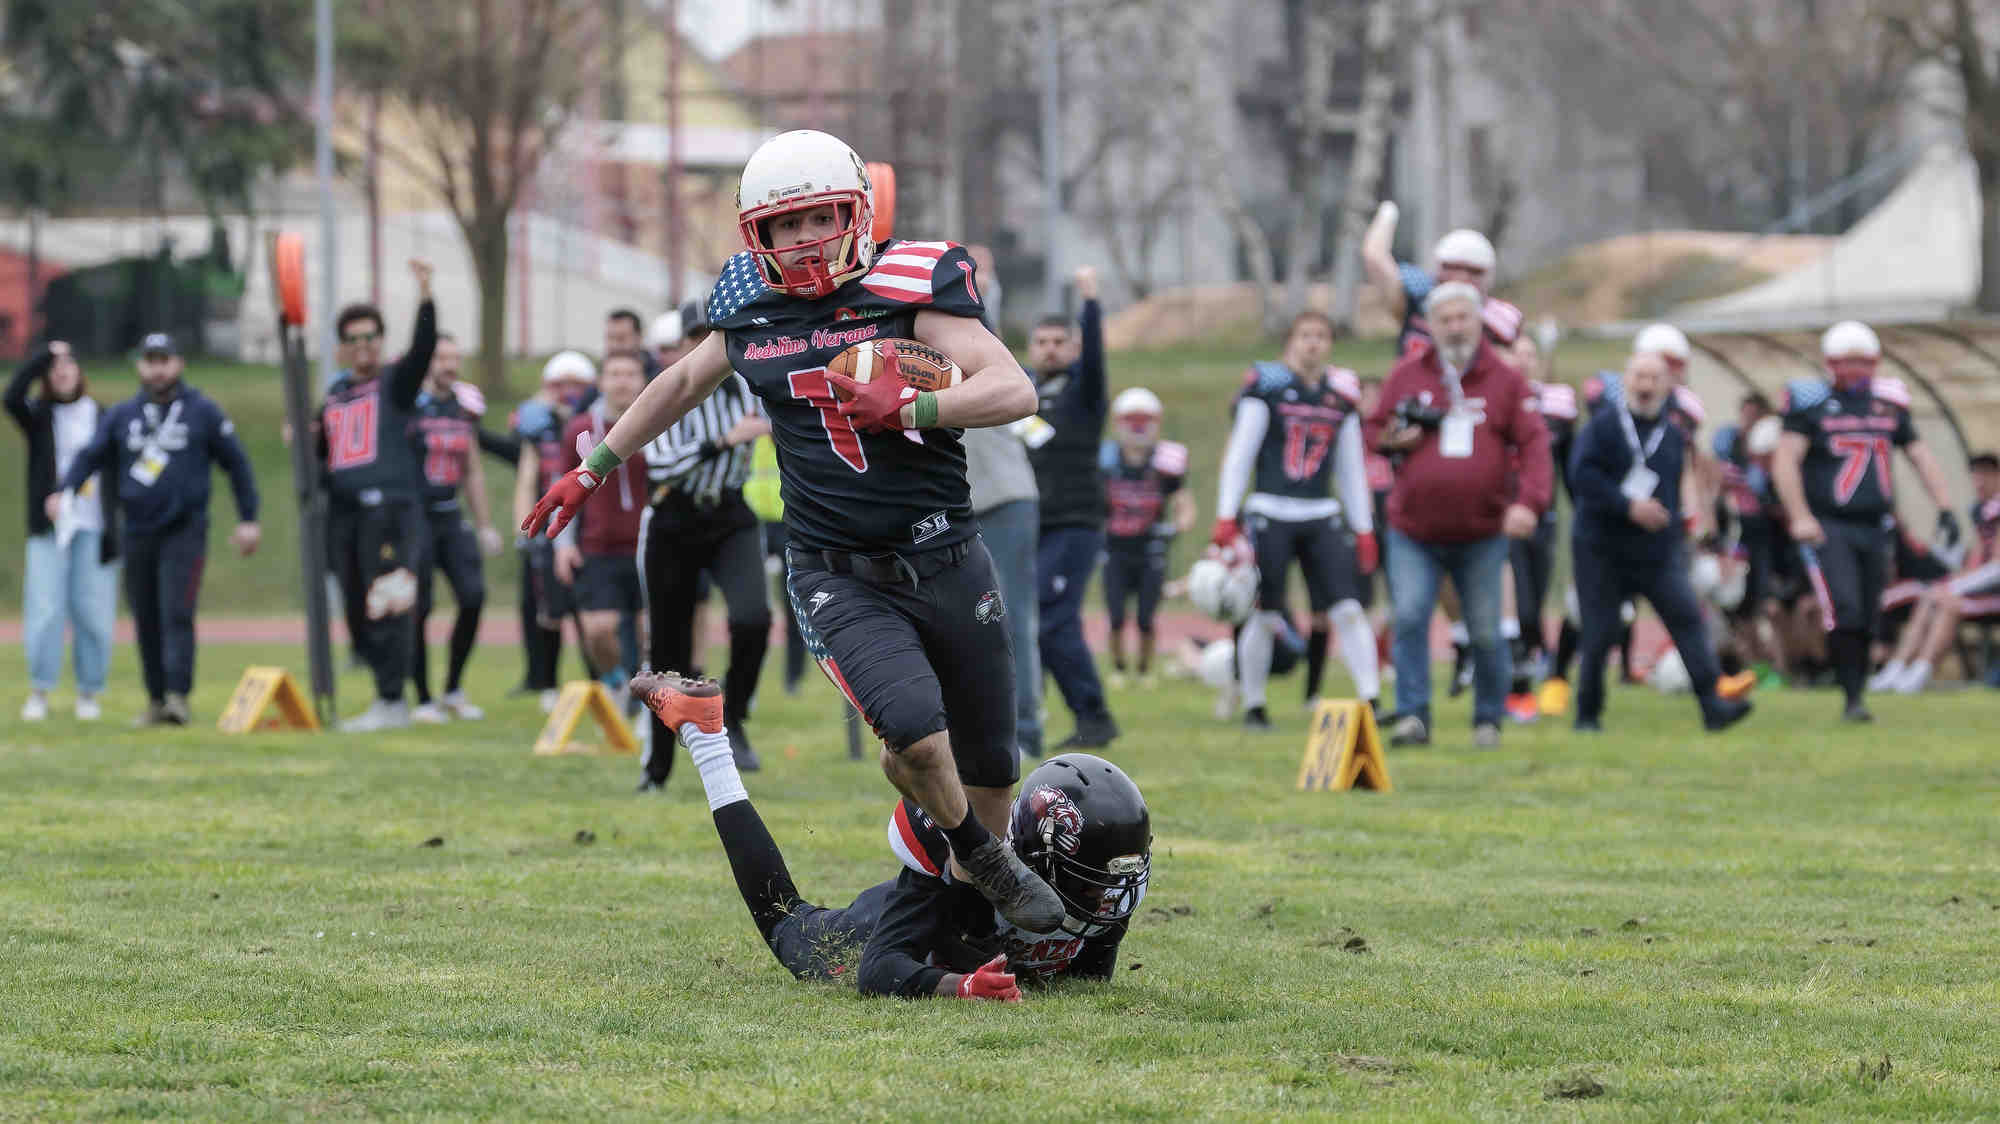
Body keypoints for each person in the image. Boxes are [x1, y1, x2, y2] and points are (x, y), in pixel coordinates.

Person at [524, 129, 1063, 932]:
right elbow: (678, 383)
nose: (805, 241)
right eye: (786, 226)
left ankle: (957, 914)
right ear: (758, 236)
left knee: (988, 768)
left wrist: (914, 405)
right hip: (835, 569)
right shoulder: (747, 300)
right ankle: (979, 858)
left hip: (947, 550)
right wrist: (594, 464)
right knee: (917, 740)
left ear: (855, 214)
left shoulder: (911, 280)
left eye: (819, 220)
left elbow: (1012, 389)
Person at [629, 670, 1148, 1000]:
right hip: (877, 932)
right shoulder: (966, 851)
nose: (1109, 898)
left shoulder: (1102, 893)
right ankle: (707, 738)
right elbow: (879, 971)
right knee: (786, 921)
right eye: (1092, 882)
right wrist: (959, 986)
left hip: (959, 935)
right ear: (1036, 860)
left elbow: (1084, 979)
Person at [1365, 283, 1551, 748]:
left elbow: (1534, 445)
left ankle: (1488, 718)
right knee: (1408, 617)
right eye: (1444, 319)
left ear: (1478, 322)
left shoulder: (1506, 380)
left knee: (1487, 630)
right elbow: (1372, 430)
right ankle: (1413, 716)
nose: (1454, 327)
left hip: (1482, 531)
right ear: (1431, 325)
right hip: (1414, 528)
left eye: (1462, 318)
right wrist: (1392, 437)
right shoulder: (1407, 373)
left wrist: (1528, 503)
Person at [52, 333, 259, 725]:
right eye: (150, 360)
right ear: (140, 366)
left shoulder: (203, 412)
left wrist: (249, 518)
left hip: (185, 529)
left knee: (175, 610)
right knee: (145, 615)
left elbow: (238, 465)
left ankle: (178, 696)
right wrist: (64, 491)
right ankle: (156, 698)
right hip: (137, 529)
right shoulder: (123, 415)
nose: (157, 367)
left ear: (178, 364)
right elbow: (90, 456)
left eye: (164, 359)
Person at [1772, 320, 1955, 721]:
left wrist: (1944, 506)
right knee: (1845, 606)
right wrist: (1801, 515)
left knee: (1871, 611)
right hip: (1830, 522)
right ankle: (1852, 695)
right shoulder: (1810, 404)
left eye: (1863, 363)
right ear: (1830, 364)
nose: (1855, 372)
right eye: (1846, 363)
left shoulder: (1888, 404)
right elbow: (1785, 460)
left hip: (1876, 523)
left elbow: (1920, 455)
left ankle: (1856, 692)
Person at [1567, 351, 1754, 732]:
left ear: (1669, 386)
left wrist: (1683, 535)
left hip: (1654, 552)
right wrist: (1627, 506)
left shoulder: (1672, 435)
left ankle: (1712, 706)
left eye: (1655, 379)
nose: (1646, 386)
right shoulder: (1602, 427)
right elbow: (1581, 476)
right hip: (1602, 548)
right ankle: (1588, 713)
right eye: (1639, 377)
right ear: (1626, 381)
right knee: (1600, 631)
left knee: (1687, 618)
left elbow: (1670, 490)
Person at [1212, 312, 1380, 727]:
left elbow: (1351, 469)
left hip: (1320, 511)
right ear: (1290, 341)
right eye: (1305, 335)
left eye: (1321, 336)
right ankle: (1254, 703)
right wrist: (1226, 515)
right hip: (1270, 508)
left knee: (1348, 606)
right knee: (1265, 612)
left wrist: (1363, 527)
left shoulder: (1341, 396)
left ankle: (1372, 700)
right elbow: (1241, 454)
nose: (1313, 344)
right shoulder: (1267, 386)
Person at [634, 350, 772, 788]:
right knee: (667, 651)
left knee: (754, 618)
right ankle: (658, 767)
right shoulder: (668, 392)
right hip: (674, 517)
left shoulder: (750, 388)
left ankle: (735, 713)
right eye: (693, 340)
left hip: (730, 514)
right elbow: (659, 463)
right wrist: (724, 441)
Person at [319, 260, 439, 732]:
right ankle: (382, 688)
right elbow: (323, 452)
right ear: (342, 348)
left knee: (389, 601)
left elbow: (422, 351)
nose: (364, 345)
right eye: (355, 338)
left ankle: (392, 700)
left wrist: (426, 296)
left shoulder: (395, 385)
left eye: (371, 336)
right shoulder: (334, 395)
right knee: (354, 608)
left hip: (390, 511)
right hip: (346, 516)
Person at [1026, 265, 1120, 749]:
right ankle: (1032, 716)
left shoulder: (1083, 392)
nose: (1050, 349)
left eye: (1059, 341)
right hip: (1029, 525)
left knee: (1052, 616)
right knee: (1029, 620)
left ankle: (1095, 716)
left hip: (1076, 523)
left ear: (1074, 347)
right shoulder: (1022, 392)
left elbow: (1097, 358)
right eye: (1041, 342)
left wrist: (1090, 302)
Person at [962, 243, 1045, 759]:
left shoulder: (986, 354)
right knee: (969, 624)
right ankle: (980, 732)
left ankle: (1028, 729)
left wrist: (986, 284)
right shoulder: (922, 351)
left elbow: (983, 323)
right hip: (961, 509)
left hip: (1008, 501)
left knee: (1012, 616)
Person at [8, 340, 120, 721]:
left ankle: (89, 692)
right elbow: (11, 395)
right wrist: (42, 355)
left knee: (92, 612)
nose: (62, 371)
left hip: (94, 526)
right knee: (45, 610)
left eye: (68, 364)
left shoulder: (102, 416)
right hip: (49, 529)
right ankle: (40, 690)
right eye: (53, 369)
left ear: (79, 372)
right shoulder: (39, 416)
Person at [407, 333, 504, 722]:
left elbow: (472, 470)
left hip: (449, 513)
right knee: (419, 606)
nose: (449, 365)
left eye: (454, 358)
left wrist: (484, 525)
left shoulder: (463, 408)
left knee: (473, 595)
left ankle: (452, 688)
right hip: (414, 516)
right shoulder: (409, 405)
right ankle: (423, 696)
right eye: (440, 358)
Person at [554, 349, 650, 695]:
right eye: (615, 374)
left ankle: (647, 697)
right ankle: (616, 685)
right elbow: (561, 487)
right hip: (597, 546)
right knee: (597, 630)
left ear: (643, 381)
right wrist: (562, 546)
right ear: (601, 382)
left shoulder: (660, 423)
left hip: (646, 545)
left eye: (630, 374)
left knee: (646, 633)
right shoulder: (580, 429)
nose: (623, 381)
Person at [512, 350, 599, 711]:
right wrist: (524, 530)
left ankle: (601, 682)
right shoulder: (540, 429)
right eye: (560, 385)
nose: (567, 392)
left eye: (575, 384)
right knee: (550, 609)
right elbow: (526, 479)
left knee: (593, 610)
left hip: (589, 526)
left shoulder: (595, 426)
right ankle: (547, 683)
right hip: (552, 527)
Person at [1870, 452, 2000, 691]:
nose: (1978, 482)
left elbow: (1996, 567)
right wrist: (1955, 576)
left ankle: (1920, 672)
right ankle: (1897, 668)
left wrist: (1955, 586)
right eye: (1975, 475)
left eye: (1984, 475)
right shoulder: (1981, 510)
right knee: (1931, 596)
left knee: (1948, 601)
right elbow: (1976, 560)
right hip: (1985, 590)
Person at [1101, 388, 1193, 688]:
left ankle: (1143, 670)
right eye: (1132, 419)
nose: (1138, 427)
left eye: (1144, 419)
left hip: (1150, 548)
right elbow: (1091, 501)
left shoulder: (1167, 463)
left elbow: (1184, 504)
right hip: (1114, 548)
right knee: (1115, 616)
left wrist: (1177, 526)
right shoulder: (1106, 460)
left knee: (1145, 618)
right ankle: (1117, 667)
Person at [1506, 336, 1574, 717]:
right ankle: (1519, 682)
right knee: (1522, 607)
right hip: (1503, 517)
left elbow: (1568, 464)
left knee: (1537, 598)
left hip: (1544, 517)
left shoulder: (1556, 406)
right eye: (1518, 354)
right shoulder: (1495, 401)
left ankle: (1526, 676)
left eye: (1530, 355)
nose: (1524, 361)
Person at [1358, 203, 1522, 357]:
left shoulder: (1501, 320)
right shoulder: (1419, 300)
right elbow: (1375, 257)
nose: (1461, 277)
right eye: (1452, 267)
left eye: (1473, 271)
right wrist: (1389, 212)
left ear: (1488, 276)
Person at [604, 308, 659, 377]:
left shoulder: (659, 375)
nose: (614, 345)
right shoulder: (599, 374)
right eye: (610, 338)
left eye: (621, 338)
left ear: (639, 337)